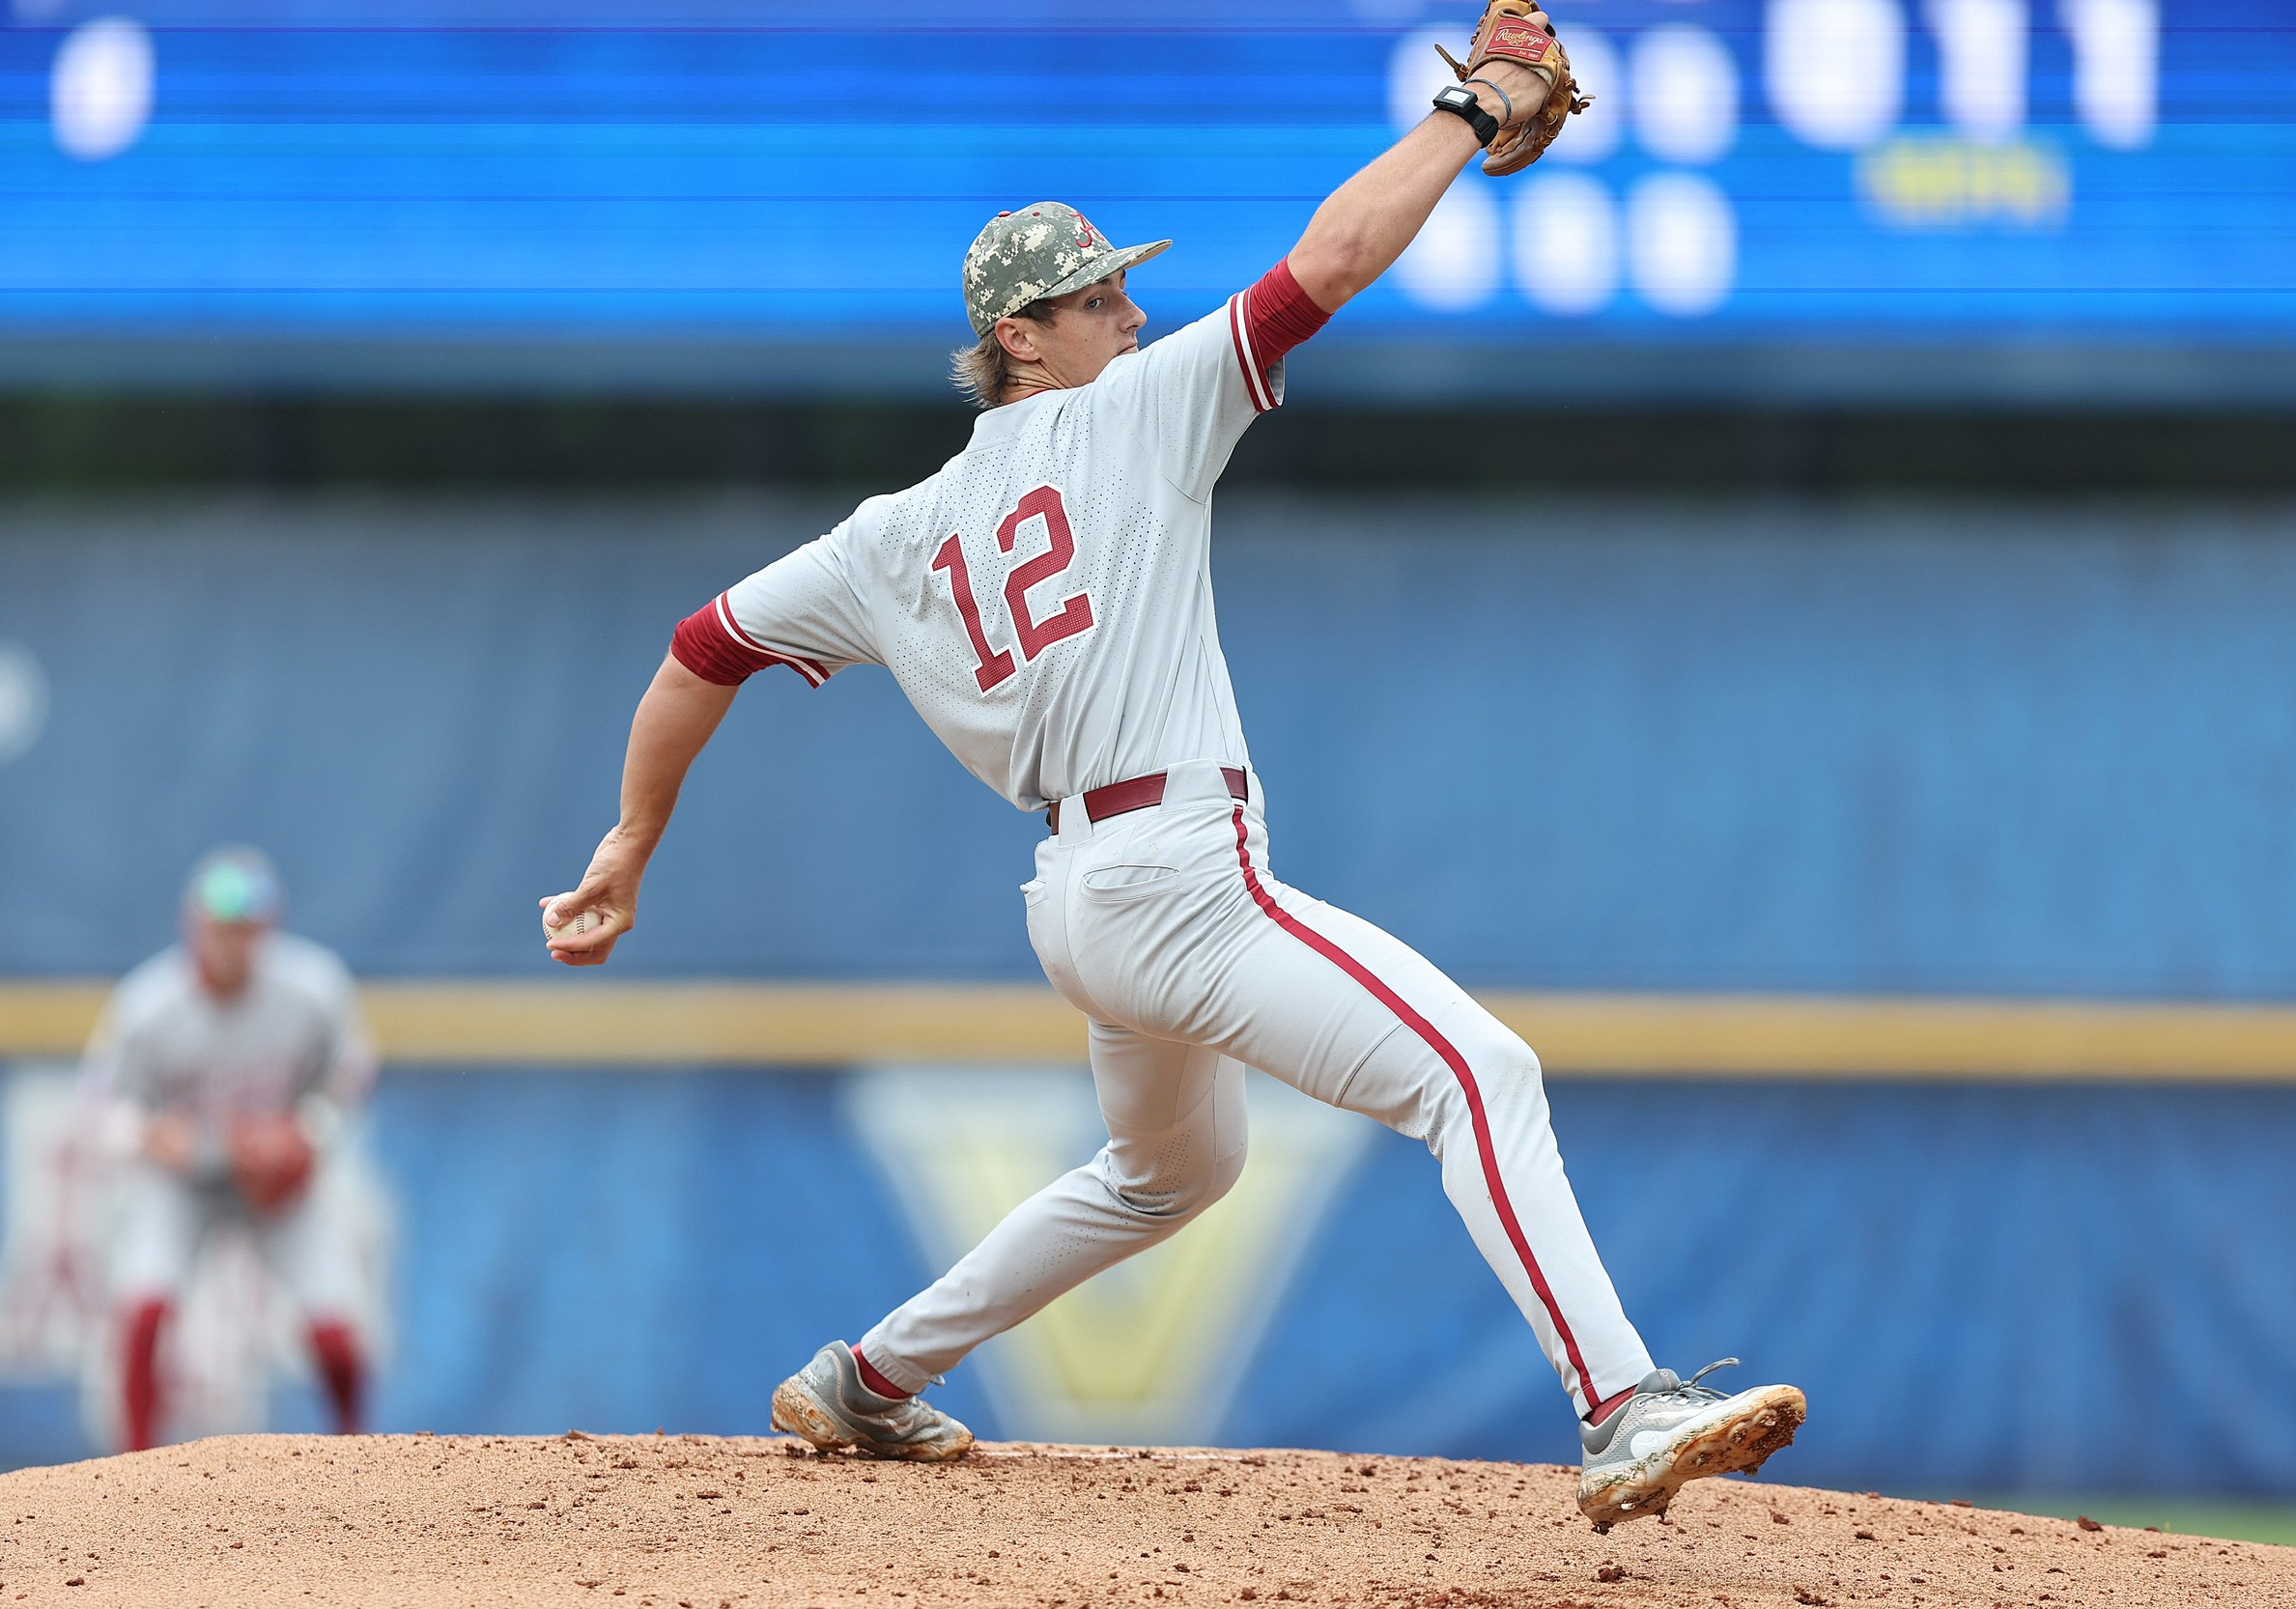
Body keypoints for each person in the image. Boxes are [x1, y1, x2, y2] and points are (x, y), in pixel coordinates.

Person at [540, 2, 1803, 1529]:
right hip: (1179, 879)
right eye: (1095, 300)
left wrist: (630, 837)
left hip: (1078, 903)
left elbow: (697, 650)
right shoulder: (1132, 412)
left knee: (1171, 1174)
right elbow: (1330, 263)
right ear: (1020, 338)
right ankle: (1620, 1405)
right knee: (1479, 1072)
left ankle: (865, 1377)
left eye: (1122, 296)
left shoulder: (886, 537)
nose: (1130, 318)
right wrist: (1472, 113)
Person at [82, 846, 377, 1450]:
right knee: (144, 1308)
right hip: (185, 1181)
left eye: (245, 928)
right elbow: (104, 1108)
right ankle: (131, 1474)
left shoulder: (311, 989)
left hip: (275, 1185)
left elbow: (349, 1078)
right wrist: (151, 1137)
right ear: (192, 926)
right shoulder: (149, 1004)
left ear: (268, 928)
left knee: (337, 1332)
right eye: (220, 927)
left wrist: (303, 1133)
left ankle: (356, 1458)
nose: (231, 942)